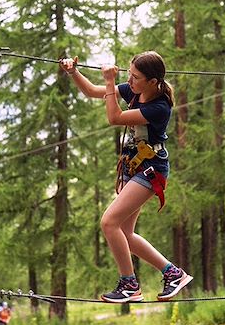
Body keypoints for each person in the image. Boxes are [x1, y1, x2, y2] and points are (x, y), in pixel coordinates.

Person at [60, 51, 193, 303]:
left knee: (109, 222)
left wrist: (111, 82)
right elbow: (92, 92)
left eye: (135, 76)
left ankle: (129, 284)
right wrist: (73, 72)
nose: (129, 80)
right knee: (124, 233)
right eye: (129, 74)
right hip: (135, 167)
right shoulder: (136, 89)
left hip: (151, 169)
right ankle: (173, 273)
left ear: (153, 81)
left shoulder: (159, 107)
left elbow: (115, 118)